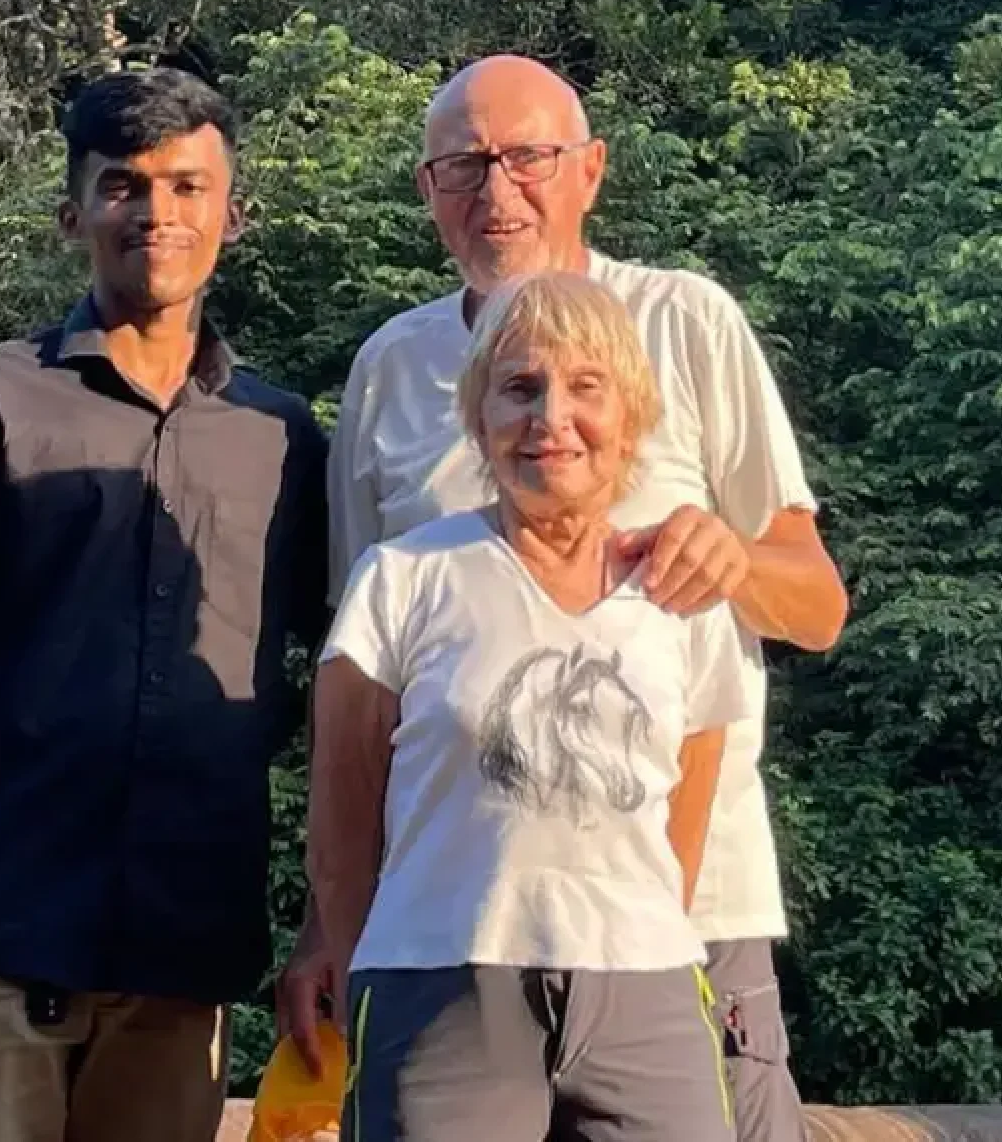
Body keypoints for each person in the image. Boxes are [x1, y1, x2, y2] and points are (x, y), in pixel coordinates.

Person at [295, 52, 847, 1142]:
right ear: (427, 191)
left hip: (689, 909)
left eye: (529, 157)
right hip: (454, 926)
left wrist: (728, 560)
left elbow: (819, 606)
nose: (498, 190)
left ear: (590, 170)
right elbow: (360, 712)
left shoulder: (686, 321)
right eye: (464, 165)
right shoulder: (392, 368)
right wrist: (335, 932)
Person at [0, 67, 330, 1142]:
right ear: (74, 213)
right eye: (125, 186)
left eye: (189, 188)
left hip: (184, 963)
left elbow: (349, 692)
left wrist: (330, 922)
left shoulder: (281, 439)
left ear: (232, 215)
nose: (156, 214)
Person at [310, 268, 749, 1141]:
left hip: (645, 981)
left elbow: (684, 825)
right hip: (441, 978)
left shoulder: (681, 593)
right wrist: (376, 971)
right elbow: (340, 822)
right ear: (478, 421)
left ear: (631, 423)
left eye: (586, 388)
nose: (550, 418)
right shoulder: (403, 580)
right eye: (519, 389)